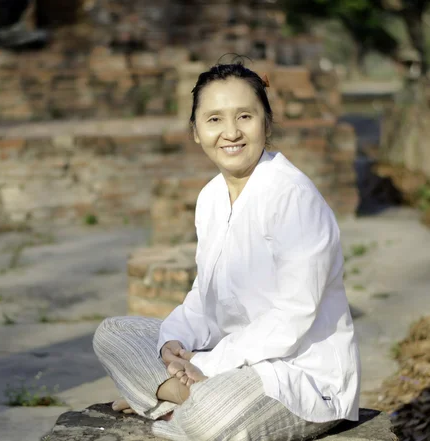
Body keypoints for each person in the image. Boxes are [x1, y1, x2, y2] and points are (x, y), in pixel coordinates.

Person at [93, 61, 361, 441]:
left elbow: (293, 317)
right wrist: (175, 341)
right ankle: (186, 396)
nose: (231, 132)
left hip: (298, 373)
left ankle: (174, 401)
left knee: (211, 417)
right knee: (113, 333)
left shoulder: (292, 197)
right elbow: (205, 295)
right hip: (229, 361)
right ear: (196, 131)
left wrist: (206, 364)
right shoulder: (211, 198)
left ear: (266, 123)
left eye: (245, 116)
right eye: (215, 119)